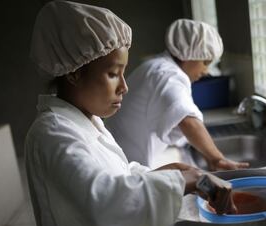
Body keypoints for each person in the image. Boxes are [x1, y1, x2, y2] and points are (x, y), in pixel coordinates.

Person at [25, 1, 234, 226]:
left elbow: (122, 174)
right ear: (74, 72)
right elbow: (106, 201)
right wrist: (191, 178)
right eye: (113, 74)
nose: (124, 86)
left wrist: (178, 172)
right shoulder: (52, 135)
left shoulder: (86, 121)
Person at [105, 19, 250, 171]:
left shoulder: (156, 66)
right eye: (205, 61)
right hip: (127, 166)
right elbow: (186, 118)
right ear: (189, 54)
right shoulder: (168, 74)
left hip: (122, 159)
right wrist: (217, 159)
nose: (206, 71)